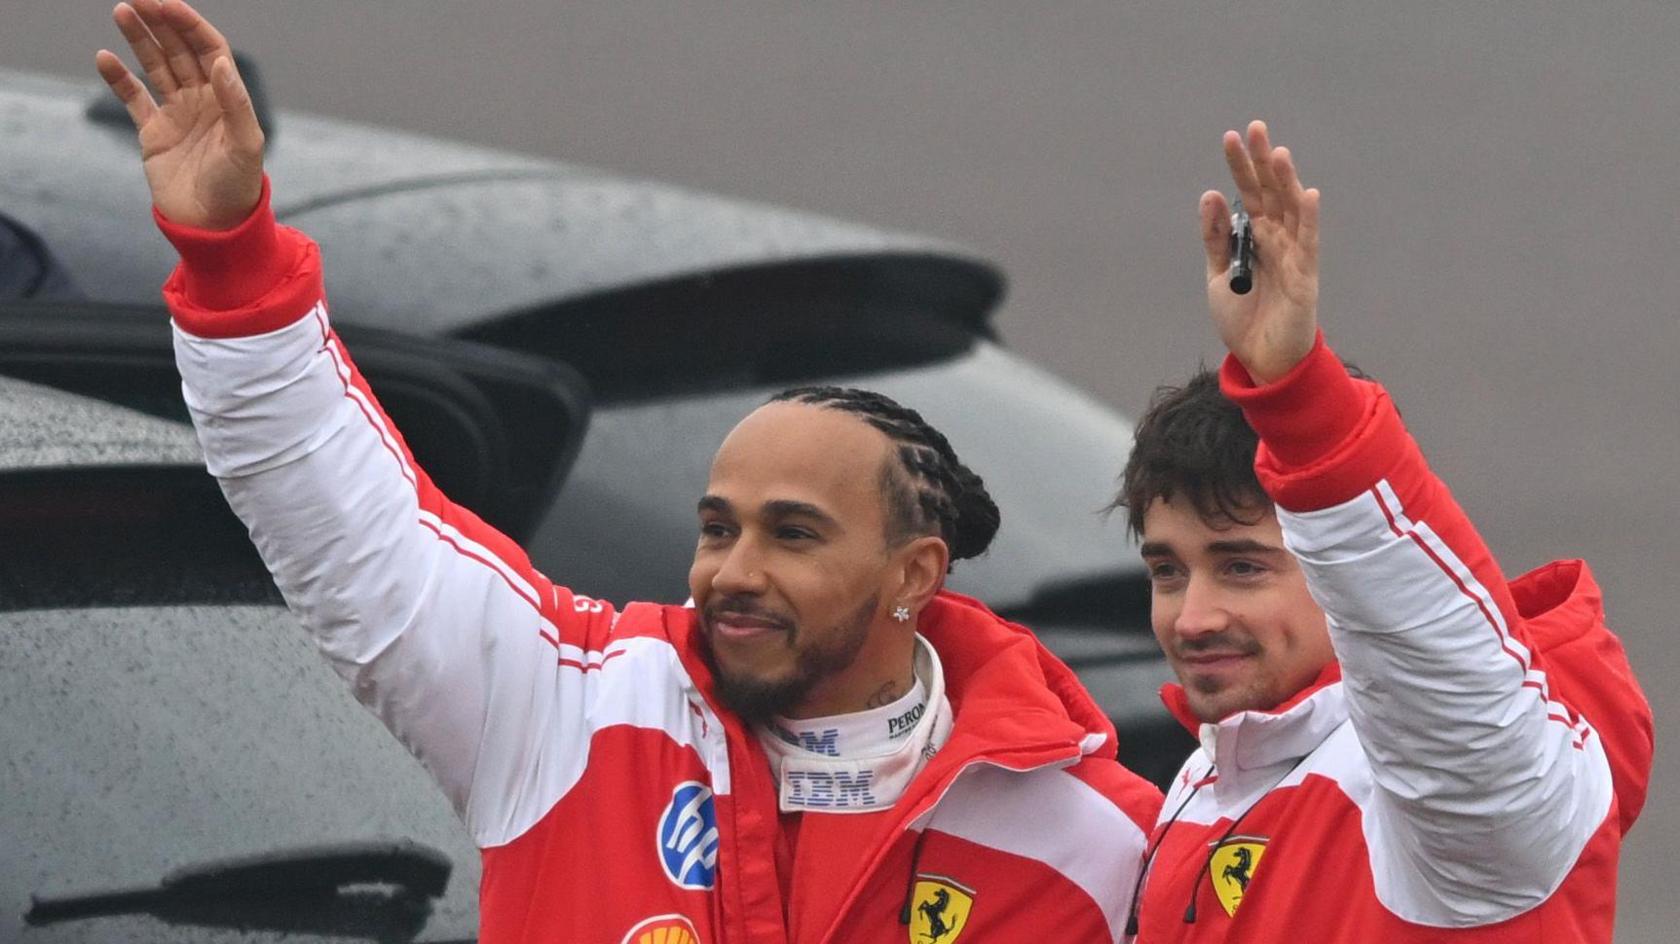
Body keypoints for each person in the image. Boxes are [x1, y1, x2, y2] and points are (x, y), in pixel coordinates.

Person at [94, 3, 1163, 942]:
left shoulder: (1093, 838)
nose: (732, 569)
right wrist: (232, 258)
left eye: (792, 533)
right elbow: (347, 529)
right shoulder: (571, 708)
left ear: (915, 572)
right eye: (717, 526)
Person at [1117, 120, 1653, 940]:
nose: (1192, 618)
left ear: (1344, 580)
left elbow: (1443, 688)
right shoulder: (1215, 773)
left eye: (1244, 568)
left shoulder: (1449, 797)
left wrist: (1301, 399)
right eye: (1168, 571)